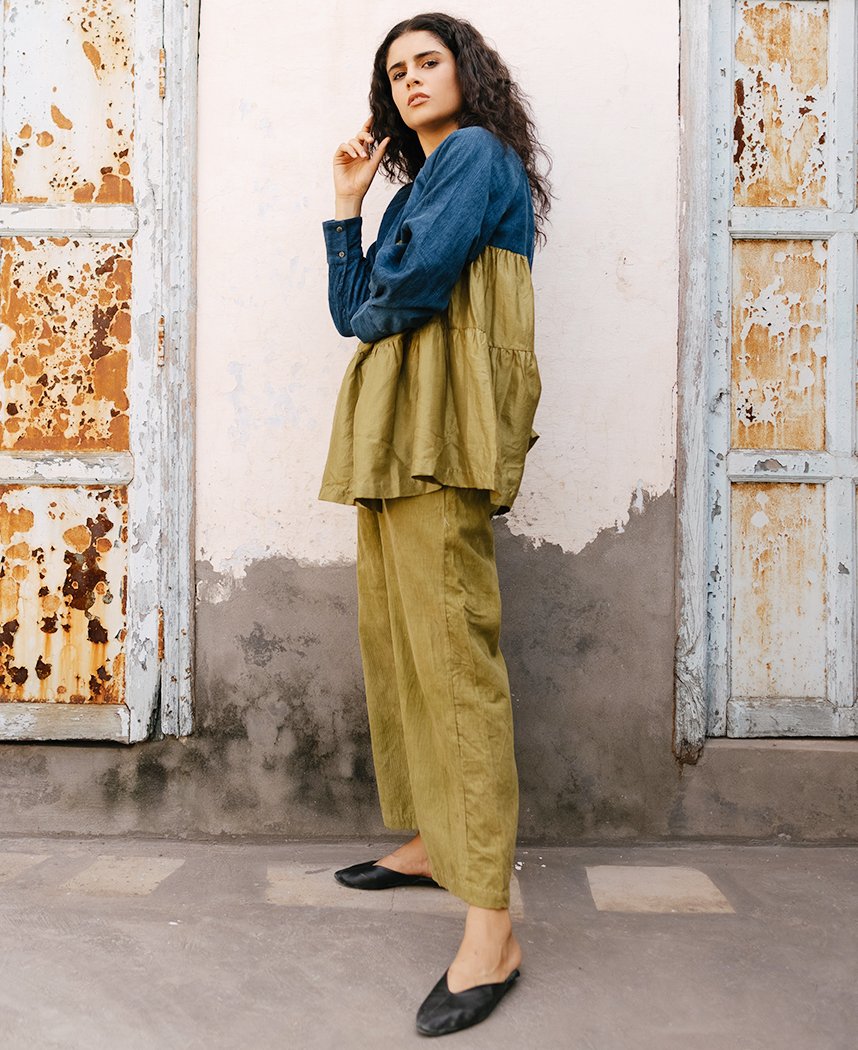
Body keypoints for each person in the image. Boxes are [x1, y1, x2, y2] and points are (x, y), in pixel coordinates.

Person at [318, 11, 551, 1038]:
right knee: (404, 643)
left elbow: (400, 291)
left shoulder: (475, 154)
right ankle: (432, 843)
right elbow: (355, 310)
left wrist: (380, 293)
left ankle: (491, 925)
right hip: (394, 428)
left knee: (454, 661)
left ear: (468, 73)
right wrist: (347, 204)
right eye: (396, 71)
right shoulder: (420, 182)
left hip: (442, 428)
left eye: (429, 61)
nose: (412, 80)